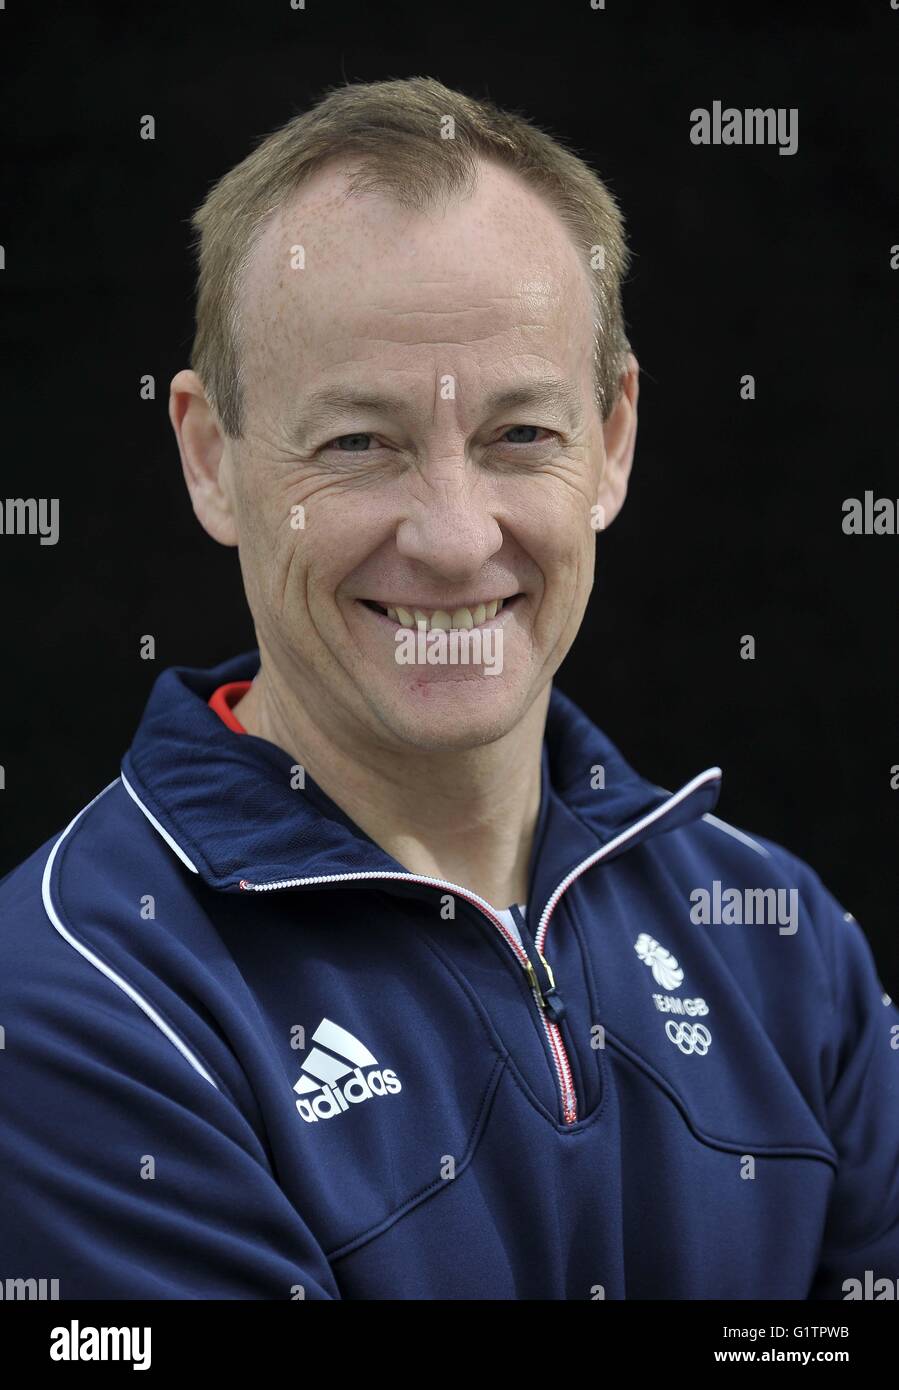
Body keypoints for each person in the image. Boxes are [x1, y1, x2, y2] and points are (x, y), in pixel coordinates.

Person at [1, 76, 896, 1301]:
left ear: (613, 438)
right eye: (357, 442)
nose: (452, 535)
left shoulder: (778, 933)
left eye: (519, 435)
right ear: (211, 458)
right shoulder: (74, 1000)